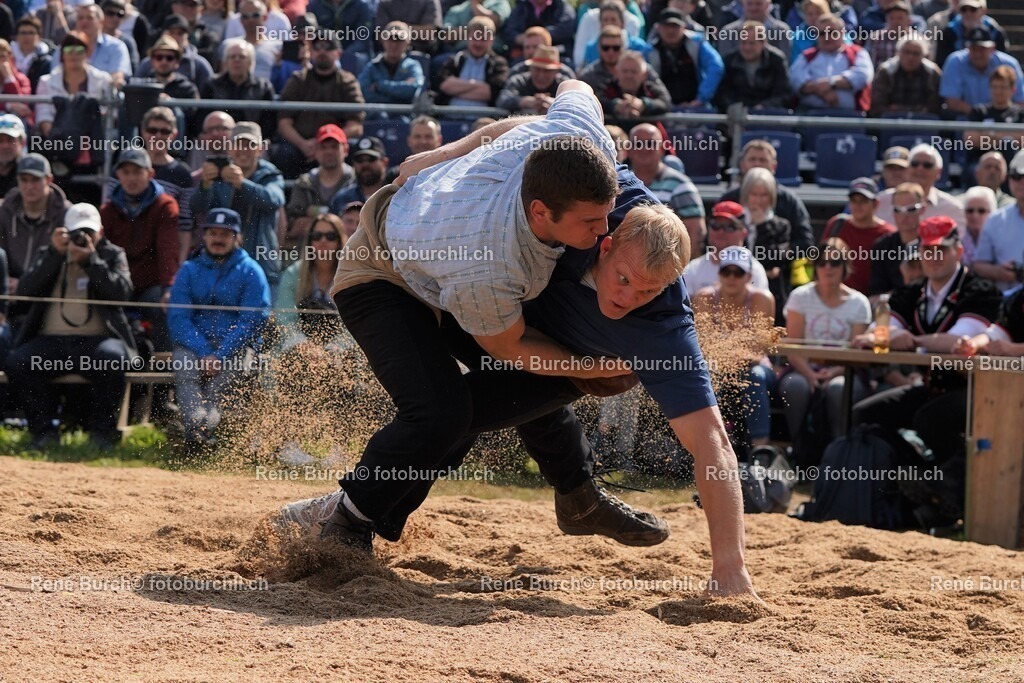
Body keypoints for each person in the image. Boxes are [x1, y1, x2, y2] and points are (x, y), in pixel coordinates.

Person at [318, 83, 675, 554]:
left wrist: (446, 151)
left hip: (436, 256)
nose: (604, 229)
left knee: (539, 380)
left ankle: (578, 494)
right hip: (380, 274)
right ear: (541, 211)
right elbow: (509, 347)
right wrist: (591, 367)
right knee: (443, 412)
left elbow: (572, 90)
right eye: (590, 222)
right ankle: (349, 519)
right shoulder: (490, 266)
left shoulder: (575, 137)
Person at [853, 216, 1002, 521]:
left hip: (976, 390)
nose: (933, 257)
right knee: (866, 414)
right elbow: (875, 333)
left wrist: (910, 339)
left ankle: (949, 489)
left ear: (958, 251)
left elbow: (959, 342)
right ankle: (924, 477)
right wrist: (891, 336)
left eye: (941, 250)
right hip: (932, 387)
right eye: (927, 250)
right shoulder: (911, 291)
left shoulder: (980, 290)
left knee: (931, 418)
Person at [4, 203, 137, 450]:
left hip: (98, 343)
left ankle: (103, 436)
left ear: (101, 232)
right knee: (17, 362)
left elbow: (121, 294)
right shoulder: (50, 252)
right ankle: (43, 433)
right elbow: (25, 292)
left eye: (89, 232)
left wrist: (91, 261)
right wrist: (55, 254)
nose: (83, 238)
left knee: (113, 359)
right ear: (65, 231)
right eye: (77, 232)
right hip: (51, 342)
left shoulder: (112, 254)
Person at [168, 207, 271, 452]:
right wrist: (205, 352)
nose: (218, 239)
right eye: (213, 233)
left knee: (220, 384)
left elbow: (252, 321)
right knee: (186, 371)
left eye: (225, 234)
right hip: (194, 346)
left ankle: (200, 434)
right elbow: (178, 318)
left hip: (235, 348)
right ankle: (200, 431)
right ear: (204, 236)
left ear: (237, 238)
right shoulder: (188, 270)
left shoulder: (251, 271)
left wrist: (220, 355)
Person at [779, 238, 872, 443]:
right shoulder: (799, 296)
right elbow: (793, 346)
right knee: (795, 386)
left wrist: (834, 372)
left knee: (839, 389)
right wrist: (809, 374)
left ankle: (839, 448)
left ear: (845, 266)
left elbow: (857, 353)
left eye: (835, 262)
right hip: (803, 367)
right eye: (822, 262)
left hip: (845, 370)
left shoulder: (859, 303)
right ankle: (798, 448)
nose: (828, 267)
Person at [691, 246, 776, 449]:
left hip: (754, 366)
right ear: (718, 274)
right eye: (726, 271)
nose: (731, 277)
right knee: (706, 375)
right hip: (716, 366)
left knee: (754, 376)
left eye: (738, 272)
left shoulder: (762, 299)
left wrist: (725, 353)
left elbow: (759, 348)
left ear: (749, 277)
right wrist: (731, 354)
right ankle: (708, 444)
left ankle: (760, 449)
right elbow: (701, 343)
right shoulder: (704, 298)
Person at [99, 147, 180, 353]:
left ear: (150, 173)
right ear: (118, 175)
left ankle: (162, 366)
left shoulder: (165, 206)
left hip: (151, 285)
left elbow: (167, 250)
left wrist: (168, 288)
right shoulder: (107, 211)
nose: (131, 178)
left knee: (164, 307)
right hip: (120, 285)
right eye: (126, 172)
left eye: (137, 172)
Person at [191, 121, 286, 290]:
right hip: (220, 265)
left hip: (262, 263)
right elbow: (196, 208)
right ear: (229, 148)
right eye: (238, 144)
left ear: (260, 149)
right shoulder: (219, 174)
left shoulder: (270, 174)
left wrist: (242, 183)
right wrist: (204, 186)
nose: (243, 150)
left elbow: (274, 200)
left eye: (250, 145)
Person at [273, 30, 364, 179]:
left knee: (356, 151)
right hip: (302, 145)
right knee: (284, 153)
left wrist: (326, 144)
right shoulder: (298, 79)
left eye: (328, 47)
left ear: (338, 53)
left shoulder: (348, 81)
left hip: (335, 144)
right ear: (311, 52)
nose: (322, 51)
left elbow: (356, 126)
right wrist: (303, 144)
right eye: (317, 47)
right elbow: (284, 123)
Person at [719, 139, 814, 258]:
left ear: (774, 166)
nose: (757, 164)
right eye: (752, 159)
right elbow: (712, 240)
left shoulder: (789, 201)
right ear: (742, 165)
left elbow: (806, 243)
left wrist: (778, 256)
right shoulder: (728, 199)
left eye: (763, 160)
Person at [0, 154, 70, 287]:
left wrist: (24, 285)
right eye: (24, 180)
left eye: (35, 180)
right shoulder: (4, 211)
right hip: (8, 287)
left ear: (49, 180)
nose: (29, 186)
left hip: (48, 290)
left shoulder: (66, 214)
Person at [819, 177, 896, 295]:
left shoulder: (888, 233)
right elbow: (822, 261)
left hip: (873, 298)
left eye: (863, 201)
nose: (858, 205)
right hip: (836, 297)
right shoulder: (837, 224)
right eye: (854, 200)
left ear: (875, 203)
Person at [285, 126, 353, 250]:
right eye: (323, 147)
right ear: (315, 151)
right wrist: (338, 219)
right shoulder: (304, 183)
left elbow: (358, 224)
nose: (329, 152)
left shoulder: (357, 181)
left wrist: (315, 213)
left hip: (350, 252)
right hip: (309, 253)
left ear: (346, 149)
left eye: (334, 146)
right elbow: (294, 226)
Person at [790, 13, 874, 112]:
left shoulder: (857, 53)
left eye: (832, 32)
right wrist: (823, 92)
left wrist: (831, 83)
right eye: (822, 33)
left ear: (842, 33)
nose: (827, 37)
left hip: (851, 116)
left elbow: (862, 76)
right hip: (810, 114)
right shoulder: (807, 56)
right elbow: (795, 80)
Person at [35, 32, 113, 138]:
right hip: (57, 140)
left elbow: (109, 114)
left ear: (87, 53)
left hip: (94, 139)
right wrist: (57, 141)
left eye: (79, 50)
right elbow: (44, 116)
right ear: (62, 54)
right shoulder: (45, 82)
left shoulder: (103, 80)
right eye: (69, 50)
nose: (74, 54)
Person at [683, 200, 771, 294]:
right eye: (716, 226)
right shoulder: (692, 269)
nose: (721, 232)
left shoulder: (754, 271)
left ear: (743, 233)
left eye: (730, 227)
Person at [199, 38, 276, 141]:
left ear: (250, 62)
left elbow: (269, 122)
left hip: (251, 141)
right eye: (232, 57)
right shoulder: (212, 85)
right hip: (217, 141)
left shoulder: (263, 87)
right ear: (226, 62)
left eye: (242, 57)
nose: (236, 60)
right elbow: (201, 117)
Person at [875, 144, 965, 230]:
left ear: (938, 172)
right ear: (907, 168)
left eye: (927, 165)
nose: (920, 168)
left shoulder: (952, 209)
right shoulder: (881, 201)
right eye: (915, 164)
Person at [647, 8, 723, 109]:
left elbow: (716, 66)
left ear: (684, 27)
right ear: (658, 28)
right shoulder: (649, 50)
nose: (670, 31)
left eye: (675, 26)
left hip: (697, 107)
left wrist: (701, 98)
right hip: (664, 108)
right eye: (666, 26)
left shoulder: (697, 43)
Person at [939, 26, 1024, 116]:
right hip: (965, 118)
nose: (978, 54)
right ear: (967, 48)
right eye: (974, 49)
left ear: (992, 48)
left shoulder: (1009, 64)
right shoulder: (955, 61)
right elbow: (951, 101)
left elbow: (1021, 100)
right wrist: (979, 115)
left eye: (982, 49)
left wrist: (1000, 116)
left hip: (1004, 118)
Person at [972, 150, 1024, 291]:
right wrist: (999, 272)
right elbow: (979, 264)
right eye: (1016, 176)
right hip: (1008, 300)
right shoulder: (996, 220)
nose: (1021, 182)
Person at [716, 20, 793, 110]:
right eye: (743, 43)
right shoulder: (730, 60)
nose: (747, 47)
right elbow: (722, 93)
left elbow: (783, 94)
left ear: (763, 43)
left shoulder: (777, 60)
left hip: (768, 113)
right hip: (736, 113)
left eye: (751, 43)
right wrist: (734, 107)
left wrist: (764, 106)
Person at [435, 16, 509, 109]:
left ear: (492, 40)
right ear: (467, 37)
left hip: (485, 117)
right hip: (449, 116)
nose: (478, 44)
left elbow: (491, 93)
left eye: (483, 39)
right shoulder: (455, 60)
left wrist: (456, 90)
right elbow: (445, 86)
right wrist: (479, 85)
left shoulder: (499, 64)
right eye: (474, 38)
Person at [869, 181, 925, 300]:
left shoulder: (932, 245)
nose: (904, 216)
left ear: (922, 209)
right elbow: (875, 295)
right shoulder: (882, 246)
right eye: (897, 210)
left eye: (911, 209)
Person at [964, 65, 1024, 173]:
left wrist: (991, 134)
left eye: (1003, 87)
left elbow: (1022, 140)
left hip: (1013, 164)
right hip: (980, 162)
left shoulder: (1020, 113)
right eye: (995, 87)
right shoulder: (979, 111)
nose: (998, 91)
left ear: (1013, 89)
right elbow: (970, 139)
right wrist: (1008, 135)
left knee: (1007, 144)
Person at [55, 2, 131, 88]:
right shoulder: (64, 49)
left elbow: (117, 79)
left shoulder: (116, 47)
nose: (84, 21)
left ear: (101, 21)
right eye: (80, 18)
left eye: (90, 18)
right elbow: (54, 78)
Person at [869, 33, 943, 117]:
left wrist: (901, 110)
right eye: (906, 52)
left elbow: (935, 105)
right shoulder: (886, 71)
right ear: (898, 52)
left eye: (916, 53)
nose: (910, 57)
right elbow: (878, 105)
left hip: (923, 120)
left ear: (924, 55)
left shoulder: (932, 72)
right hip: (890, 120)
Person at [358, 21, 424, 114]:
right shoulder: (372, 66)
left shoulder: (413, 66)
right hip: (377, 116)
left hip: (404, 117)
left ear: (408, 42)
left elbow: (412, 90)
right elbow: (363, 92)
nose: (394, 45)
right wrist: (397, 99)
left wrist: (379, 86)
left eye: (399, 40)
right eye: (390, 39)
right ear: (383, 40)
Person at [598, 49, 671, 119]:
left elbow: (666, 102)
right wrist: (615, 105)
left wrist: (644, 105)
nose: (629, 76)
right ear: (616, 73)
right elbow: (597, 101)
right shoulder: (605, 88)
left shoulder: (650, 88)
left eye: (634, 72)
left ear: (644, 75)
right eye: (625, 71)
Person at [575, 0, 648, 69]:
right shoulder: (591, 48)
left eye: (613, 20)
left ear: (622, 23)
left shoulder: (639, 48)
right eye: (605, 20)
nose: (609, 24)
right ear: (600, 24)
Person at [496, 45, 569, 114]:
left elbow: (573, 103)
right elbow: (502, 100)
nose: (541, 76)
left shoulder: (564, 85)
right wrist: (525, 101)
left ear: (557, 71)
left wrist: (553, 103)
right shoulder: (519, 81)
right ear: (530, 68)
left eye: (547, 71)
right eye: (537, 69)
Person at [714, 0, 791, 60]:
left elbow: (785, 61)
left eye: (758, 4)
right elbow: (726, 62)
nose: (754, 8)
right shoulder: (728, 32)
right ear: (742, 4)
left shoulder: (782, 30)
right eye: (749, 3)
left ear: (768, 5)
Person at [328, 137, 388, 212]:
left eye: (371, 159)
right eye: (360, 160)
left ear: (385, 162)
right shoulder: (342, 199)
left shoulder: (395, 194)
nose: (365, 164)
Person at [502, 0, 576, 56]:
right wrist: (520, 38)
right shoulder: (521, 7)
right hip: (523, 57)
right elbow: (509, 31)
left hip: (558, 56)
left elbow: (565, 29)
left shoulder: (562, 7)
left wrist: (539, 36)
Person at [959, 185, 995, 268]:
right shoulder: (957, 239)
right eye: (970, 211)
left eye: (981, 211)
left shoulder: (999, 239)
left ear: (992, 213)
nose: (975, 216)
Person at [0, 113, 25, 199]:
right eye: (0, 141)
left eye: (10, 140)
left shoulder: (31, 171)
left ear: (22, 142)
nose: (5, 146)